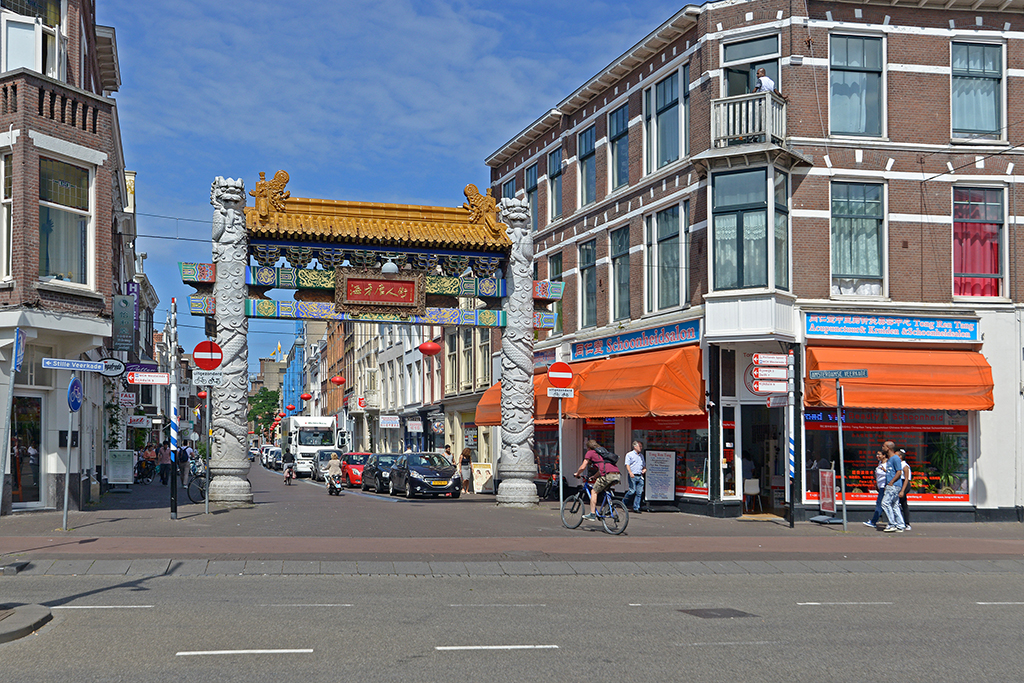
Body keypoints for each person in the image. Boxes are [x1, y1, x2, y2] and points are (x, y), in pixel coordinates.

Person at [574, 439, 621, 521]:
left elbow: (583, 466)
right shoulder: (602, 452)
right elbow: (601, 468)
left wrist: (577, 474)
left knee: (594, 491)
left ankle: (592, 514)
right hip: (616, 474)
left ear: (589, 447)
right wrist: (594, 476)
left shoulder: (590, 452)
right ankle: (608, 508)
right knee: (604, 490)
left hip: (608, 475)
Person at [880, 441, 906, 532]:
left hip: (894, 485)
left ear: (888, 448)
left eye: (884, 446)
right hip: (892, 485)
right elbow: (892, 471)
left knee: (885, 503)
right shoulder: (890, 459)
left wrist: (891, 482)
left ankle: (892, 524)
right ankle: (900, 525)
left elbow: (899, 471)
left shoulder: (895, 458)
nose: (882, 447)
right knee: (894, 505)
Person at [864, 450, 888, 528]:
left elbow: (891, 474)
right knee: (885, 505)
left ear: (884, 455)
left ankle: (874, 521)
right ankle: (897, 522)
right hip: (880, 486)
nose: (877, 456)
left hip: (885, 487)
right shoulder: (880, 463)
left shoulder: (888, 464)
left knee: (880, 504)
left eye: (879, 454)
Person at [622, 440, 646, 514]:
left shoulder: (641, 456)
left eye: (641, 446)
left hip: (640, 476)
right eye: (640, 446)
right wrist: (630, 472)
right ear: (635, 446)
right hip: (633, 475)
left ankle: (636, 507)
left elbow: (644, 465)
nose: (641, 448)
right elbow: (627, 464)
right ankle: (623, 503)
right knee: (632, 491)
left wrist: (644, 470)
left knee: (639, 493)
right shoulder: (629, 454)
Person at [898, 449, 913, 531]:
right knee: (903, 503)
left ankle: (905, 523)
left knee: (899, 503)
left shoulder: (904, 466)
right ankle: (904, 522)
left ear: (900, 456)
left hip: (904, 484)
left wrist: (902, 490)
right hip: (900, 483)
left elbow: (906, 479)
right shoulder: (898, 464)